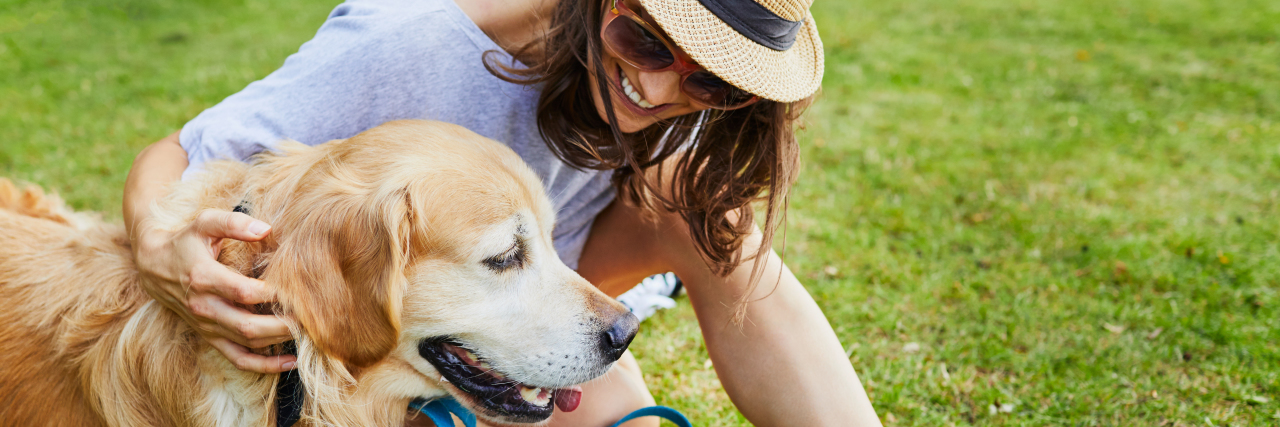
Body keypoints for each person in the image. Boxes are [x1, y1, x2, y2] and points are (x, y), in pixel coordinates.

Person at [122, 0, 881, 425]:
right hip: (387, 287)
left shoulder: (678, 92)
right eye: (642, 39)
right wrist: (156, 238)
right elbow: (184, 151)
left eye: (713, 80)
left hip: (532, 273)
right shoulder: (413, 41)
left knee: (715, 228)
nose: (659, 90)